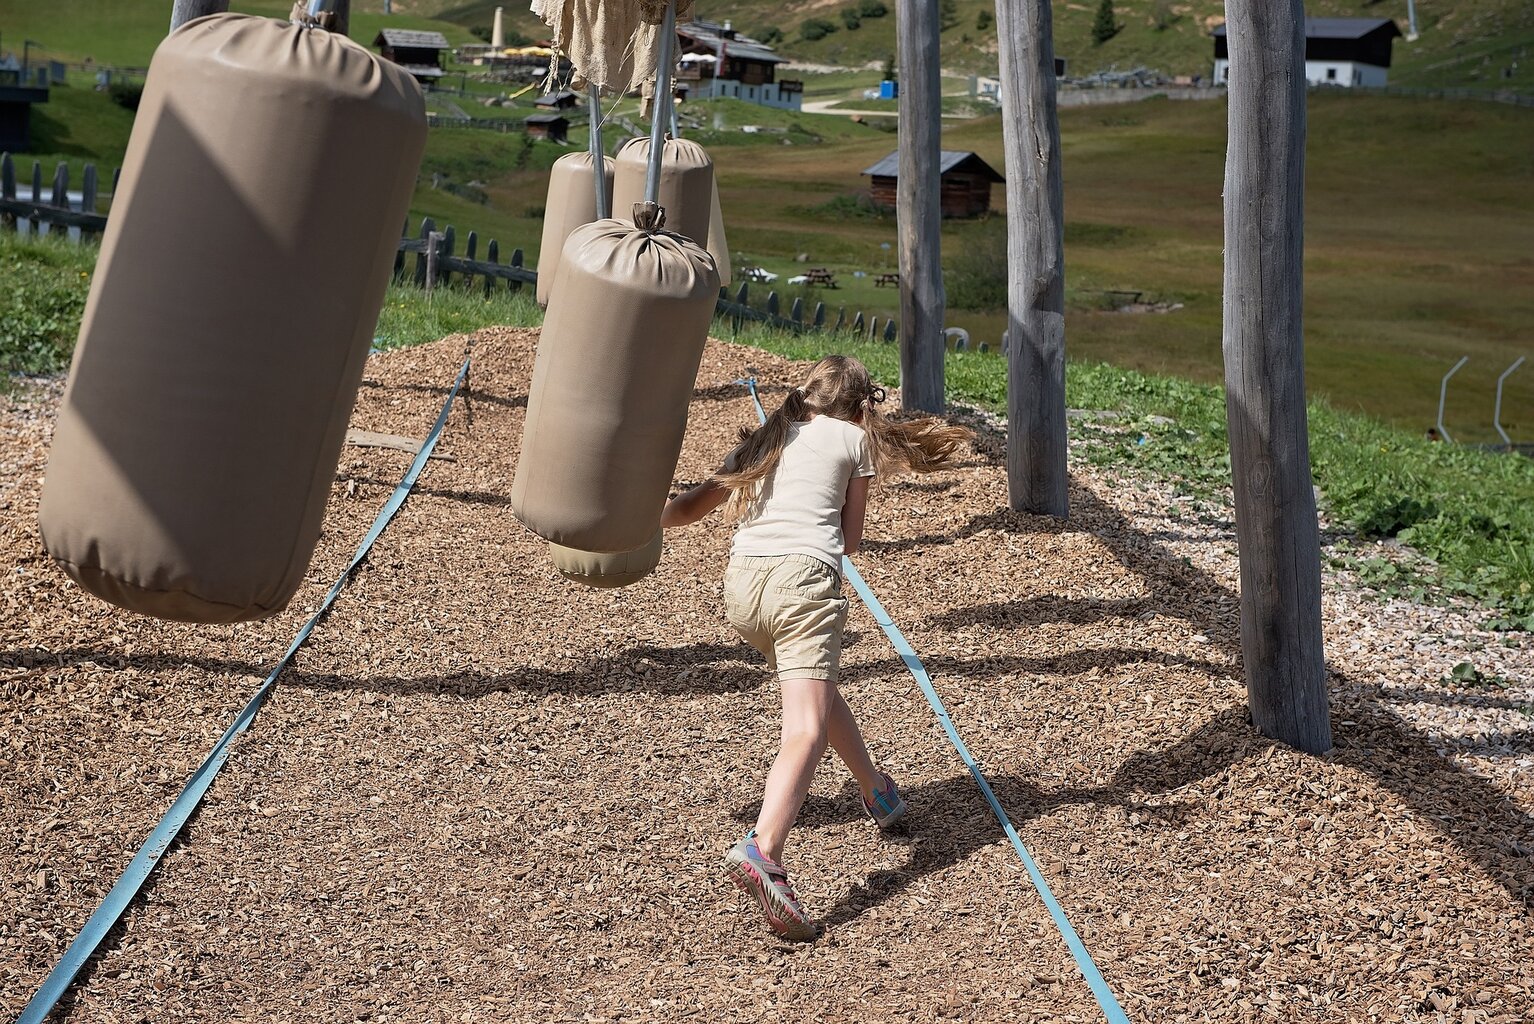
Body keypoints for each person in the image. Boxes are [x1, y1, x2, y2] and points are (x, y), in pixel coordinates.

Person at [661, 355, 972, 941]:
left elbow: (685, 510)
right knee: (803, 729)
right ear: (860, 407)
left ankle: (876, 791)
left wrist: (629, 524)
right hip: (802, 583)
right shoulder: (855, 441)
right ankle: (764, 850)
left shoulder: (768, 436)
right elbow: (849, 539)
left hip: (743, 590)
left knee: (818, 691)